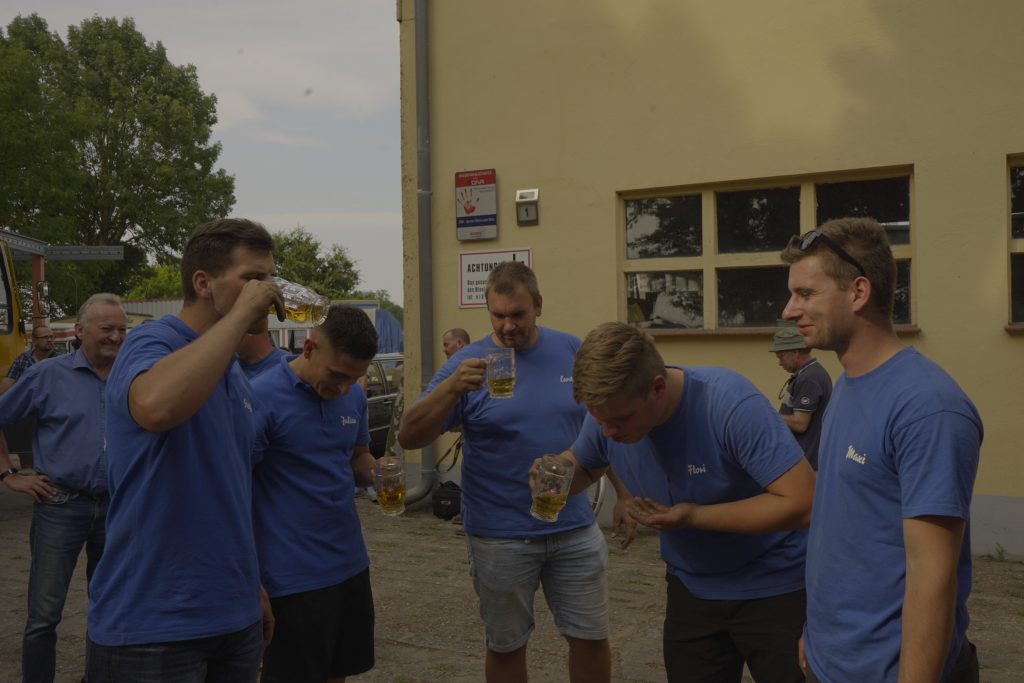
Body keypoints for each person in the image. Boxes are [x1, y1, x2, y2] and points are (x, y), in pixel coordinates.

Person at [544, 321, 814, 683]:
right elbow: (585, 467)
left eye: (620, 420)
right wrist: (554, 477)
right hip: (692, 588)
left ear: (657, 388)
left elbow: (803, 502)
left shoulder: (729, 404)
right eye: (599, 420)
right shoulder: (609, 415)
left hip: (775, 586)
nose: (607, 433)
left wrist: (693, 516)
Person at [780, 217, 982, 683]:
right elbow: (840, 530)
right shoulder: (848, 385)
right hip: (830, 659)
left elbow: (932, 577)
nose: (789, 310)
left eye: (806, 294)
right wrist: (817, 633)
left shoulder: (928, 407)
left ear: (858, 292)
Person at [86, 218, 282, 682]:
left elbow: (226, 486)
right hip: (152, 623)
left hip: (233, 614)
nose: (268, 291)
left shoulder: (230, 367)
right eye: (253, 278)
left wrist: (250, 582)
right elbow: (156, 407)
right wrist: (238, 318)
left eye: (270, 277)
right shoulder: (152, 341)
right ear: (203, 283)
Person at [398, 261, 610, 683]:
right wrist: (450, 388)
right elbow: (409, 436)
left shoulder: (571, 349)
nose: (508, 326)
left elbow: (605, 424)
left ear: (538, 305)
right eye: (498, 315)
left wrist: (626, 494)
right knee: (506, 643)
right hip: (501, 535)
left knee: (591, 636)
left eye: (518, 314)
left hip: (573, 526)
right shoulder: (467, 364)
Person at [0, 294, 128, 683]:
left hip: (117, 509)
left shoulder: (134, 373)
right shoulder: (47, 375)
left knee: (110, 610)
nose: (116, 337)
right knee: (44, 614)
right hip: (60, 506)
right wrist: (8, 474)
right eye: (107, 329)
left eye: (122, 329)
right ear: (79, 331)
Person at [251, 304, 379, 682]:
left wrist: (378, 474)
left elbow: (358, 456)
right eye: (337, 375)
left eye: (354, 378)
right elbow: (233, 488)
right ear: (308, 349)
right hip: (291, 577)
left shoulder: (352, 396)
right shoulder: (260, 397)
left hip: (349, 565)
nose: (344, 388)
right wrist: (248, 576)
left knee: (339, 673)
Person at [769, 326, 832, 470]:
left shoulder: (809, 378)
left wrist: (768, 413)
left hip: (808, 464)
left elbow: (800, 424)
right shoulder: (808, 374)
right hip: (807, 462)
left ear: (795, 352)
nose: (780, 363)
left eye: (781, 357)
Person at [0, 325, 58, 395]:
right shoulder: (23, 359)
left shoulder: (59, 360)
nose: (49, 340)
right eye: (45, 337)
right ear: (34, 340)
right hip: (28, 400)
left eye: (51, 337)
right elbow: (8, 383)